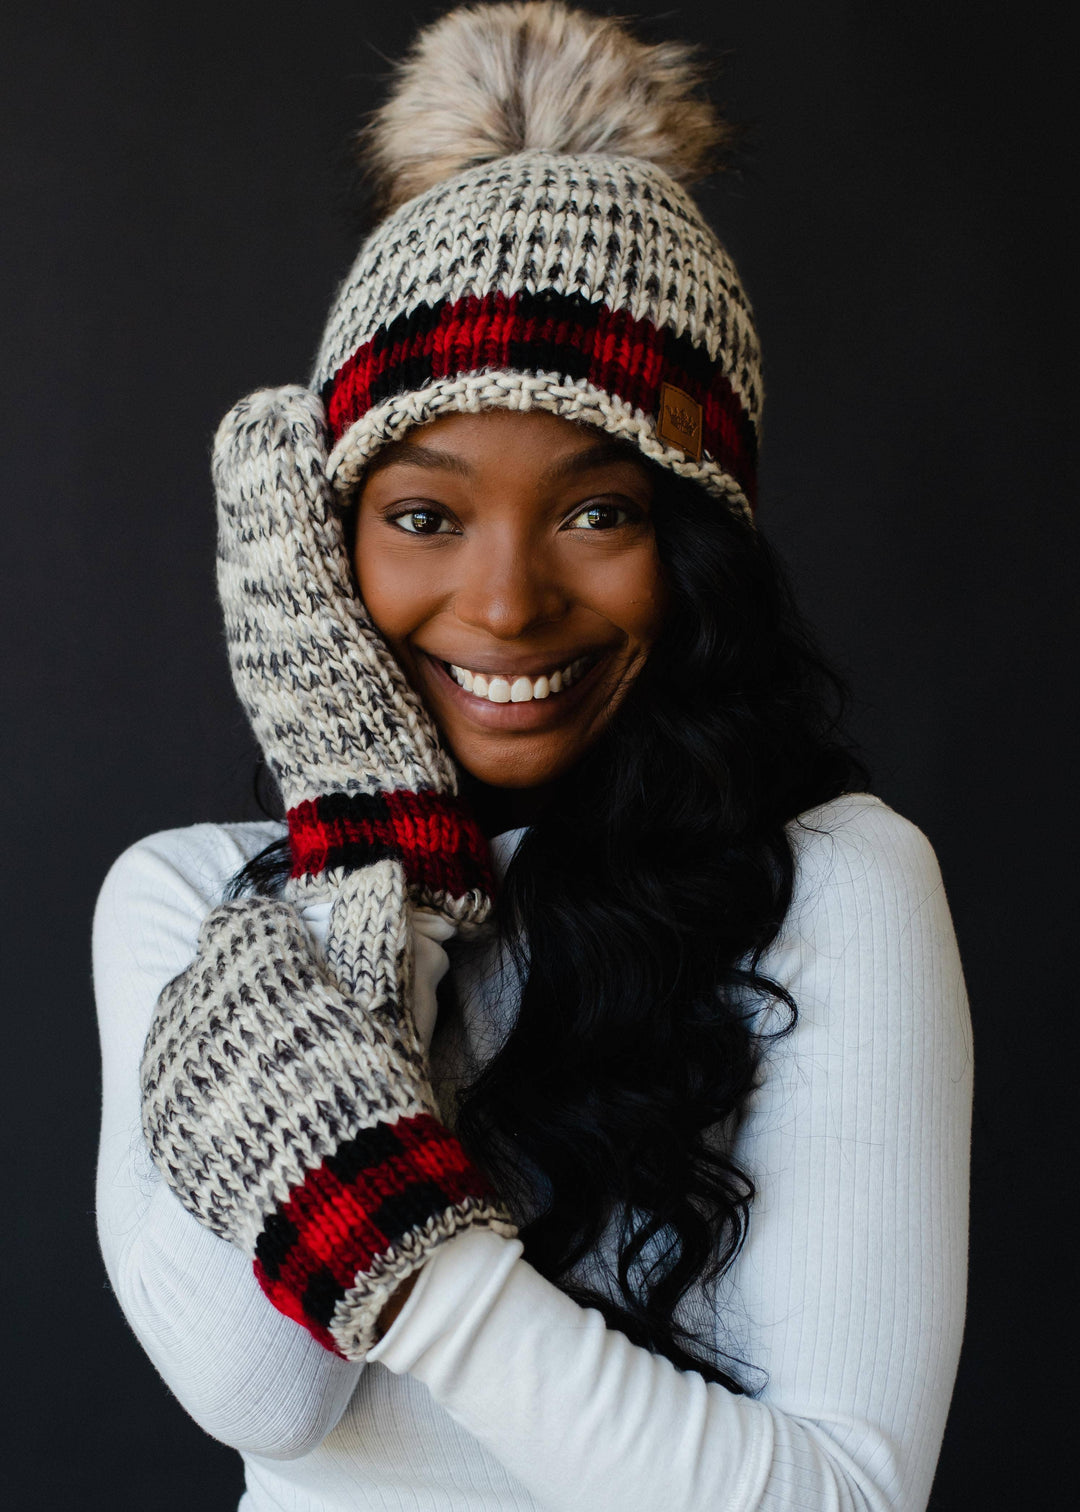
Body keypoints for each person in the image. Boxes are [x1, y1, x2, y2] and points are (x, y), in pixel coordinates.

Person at [93, 4, 973, 1509]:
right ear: (323, 545)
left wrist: (400, 1253)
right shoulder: (196, 914)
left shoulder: (831, 885)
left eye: (596, 509)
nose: (506, 603)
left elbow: (847, 1500)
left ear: (698, 547)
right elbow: (271, 1395)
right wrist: (371, 857)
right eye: (424, 515)